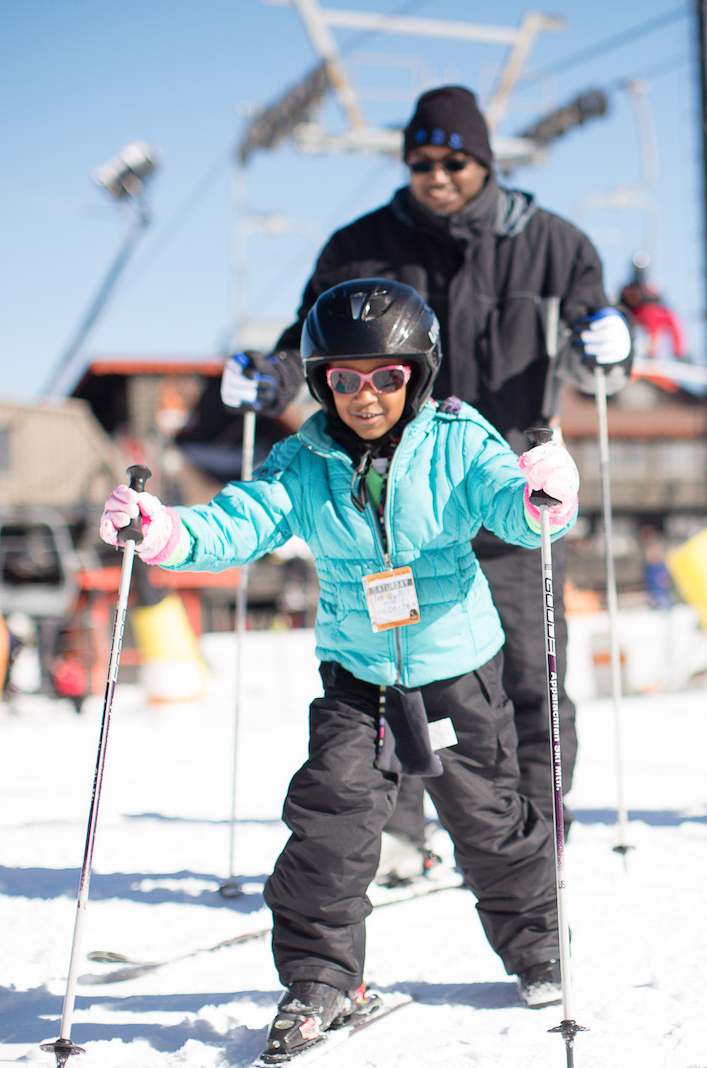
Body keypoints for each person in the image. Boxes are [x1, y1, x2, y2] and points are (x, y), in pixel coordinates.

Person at [98, 279, 584, 1057]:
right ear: (322, 382)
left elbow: (507, 502)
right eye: (345, 379)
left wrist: (541, 497)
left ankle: (537, 946)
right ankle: (321, 976)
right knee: (332, 814)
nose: (366, 396)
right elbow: (240, 520)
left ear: (415, 375)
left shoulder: (459, 439)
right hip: (360, 673)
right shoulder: (305, 460)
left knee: (487, 819)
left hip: (454, 665)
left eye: (386, 377)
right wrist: (163, 533)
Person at [220, 85, 632, 882]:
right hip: (391, 507)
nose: (435, 176)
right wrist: (264, 379)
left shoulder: (553, 243)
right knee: (387, 670)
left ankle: (538, 827)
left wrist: (611, 345)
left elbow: (594, 354)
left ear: (484, 160)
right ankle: (398, 832)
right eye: (419, 162)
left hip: (500, 492)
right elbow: (304, 346)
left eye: (453, 161)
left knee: (526, 673)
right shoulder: (359, 246)